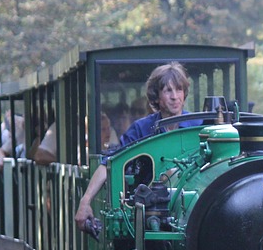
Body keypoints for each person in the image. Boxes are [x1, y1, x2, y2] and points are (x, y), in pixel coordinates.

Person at [75, 62, 201, 232]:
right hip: (151, 210)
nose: (175, 96)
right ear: (156, 97)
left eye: (179, 90)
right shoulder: (141, 128)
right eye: (168, 91)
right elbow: (110, 163)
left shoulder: (199, 126)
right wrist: (85, 201)